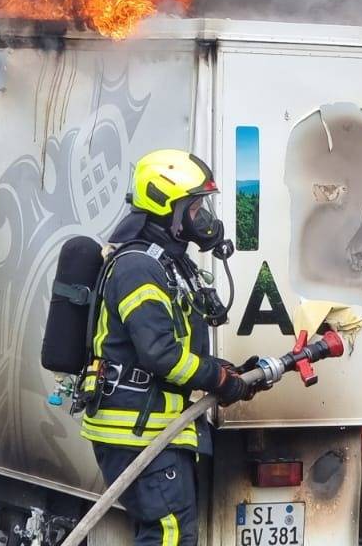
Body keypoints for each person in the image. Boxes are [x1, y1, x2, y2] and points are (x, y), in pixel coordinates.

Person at [80, 148, 260, 546]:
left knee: (173, 534)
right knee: (170, 535)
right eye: (194, 208)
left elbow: (174, 345)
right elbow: (160, 354)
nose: (203, 218)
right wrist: (217, 379)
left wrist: (229, 371)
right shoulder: (138, 268)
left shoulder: (166, 263)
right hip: (137, 430)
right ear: (168, 211)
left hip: (153, 429)